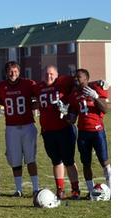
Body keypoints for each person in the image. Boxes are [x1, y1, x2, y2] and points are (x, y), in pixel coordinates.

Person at [35, 65, 80, 199]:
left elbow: (80, 80)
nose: (49, 76)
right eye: (46, 74)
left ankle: (75, 190)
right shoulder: (38, 87)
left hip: (64, 129)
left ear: (57, 74)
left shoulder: (63, 83)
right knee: (56, 161)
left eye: (51, 74)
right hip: (48, 131)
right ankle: (60, 189)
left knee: (69, 161)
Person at [0, 61, 39, 197]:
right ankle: (18, 189)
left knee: (31, 158)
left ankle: (36, 188)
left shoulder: (28, 84)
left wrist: (35, 105)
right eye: (10, 71)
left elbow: (40, 94)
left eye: (15, 71)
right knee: (15, 160)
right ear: (6, 72)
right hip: (11, 128)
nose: (13, 74)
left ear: (19, 72)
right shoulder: (1, 86)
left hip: (28, 126)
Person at [68, 69, 111, 199]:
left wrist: (96, 96)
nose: (76, 79)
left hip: (97, 131)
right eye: (75, 77)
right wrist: (64, 112)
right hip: (83, 133)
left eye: (79, 77)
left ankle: (112, 189)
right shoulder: (74, 94)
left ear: (86, 78)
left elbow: (105, 109)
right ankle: (91, 191)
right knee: (86, 163)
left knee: (105, 162)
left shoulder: (96, 88)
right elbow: (72, 119)